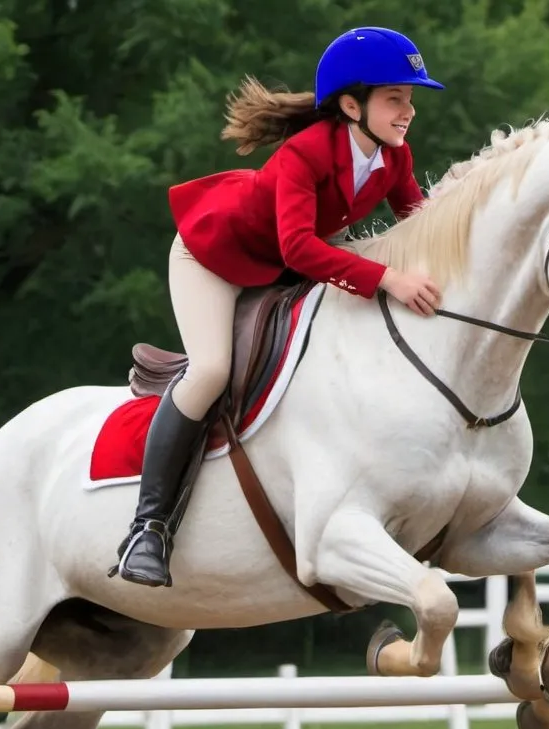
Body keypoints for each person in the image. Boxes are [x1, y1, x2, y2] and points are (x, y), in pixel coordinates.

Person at [113, 26, 445, 587]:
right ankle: (148, 529)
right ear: (351, 104)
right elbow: (298, 246)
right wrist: (386, 276)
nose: (408, 110)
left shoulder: (394, 155)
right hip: (214, 256)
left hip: (287, 265)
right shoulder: (305, 153)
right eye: (396, 98)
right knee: (212, 369)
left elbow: (423, 223)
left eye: (409, 98)